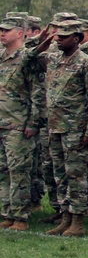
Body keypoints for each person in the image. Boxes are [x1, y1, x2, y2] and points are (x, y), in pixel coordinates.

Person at [29, 21, 88, 237]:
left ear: (77, 39)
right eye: (57, 36)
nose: (58, 39)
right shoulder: (52, 59)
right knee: (60, 174)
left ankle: (78, 221)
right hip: (55, 127)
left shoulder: (85, 63)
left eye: (64, 36)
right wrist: (40, 40)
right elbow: (28, 57)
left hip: (75, 130)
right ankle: (65, 217)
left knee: (76, 175)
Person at [0, 14, 44, 232]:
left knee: (19, 172)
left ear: (20, 33)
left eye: (6, 30)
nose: (2, 33)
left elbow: (37, 93)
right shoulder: (1, 57)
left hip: (19, 125)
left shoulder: (27, 59)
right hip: (2, 123)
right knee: (3, 171)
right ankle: (8, 212)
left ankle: (21, 216)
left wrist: (33, 123)